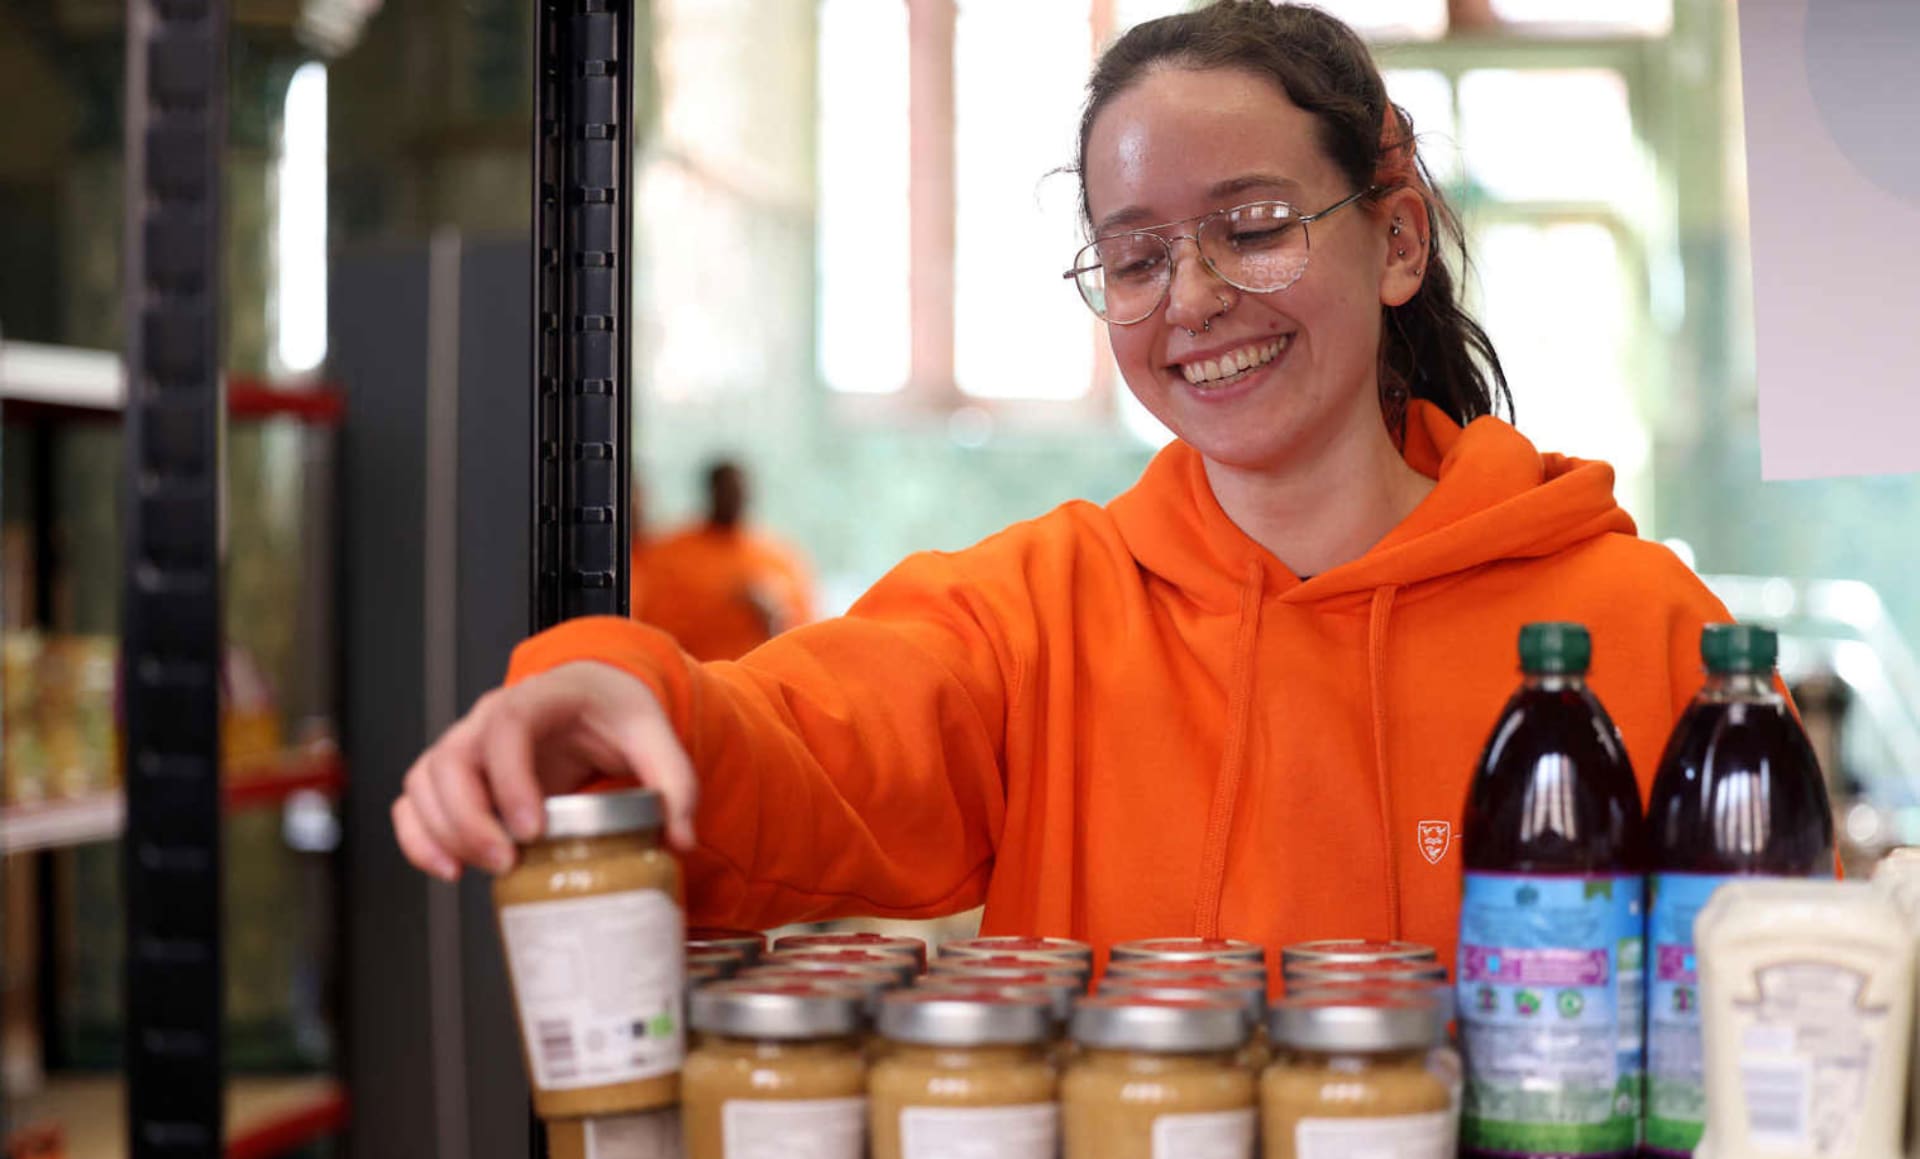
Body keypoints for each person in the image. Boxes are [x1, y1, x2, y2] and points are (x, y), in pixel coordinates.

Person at [392, 1, 1726, 970]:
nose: (1194, 298)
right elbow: (809, 741)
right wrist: (615, 690)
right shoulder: (1040, 618)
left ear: (1394, 241)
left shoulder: (1641, 625)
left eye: (1252, 227)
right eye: (1136, 257)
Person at [627, 459, 815, 662]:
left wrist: (773, 616)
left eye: (739, 491)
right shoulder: (669, 552)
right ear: (710, 492)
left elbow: (802, 637)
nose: (733, 498)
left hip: (756, 682)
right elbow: (648, 621)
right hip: (689, 678)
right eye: (726, 490)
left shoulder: (780, 557)